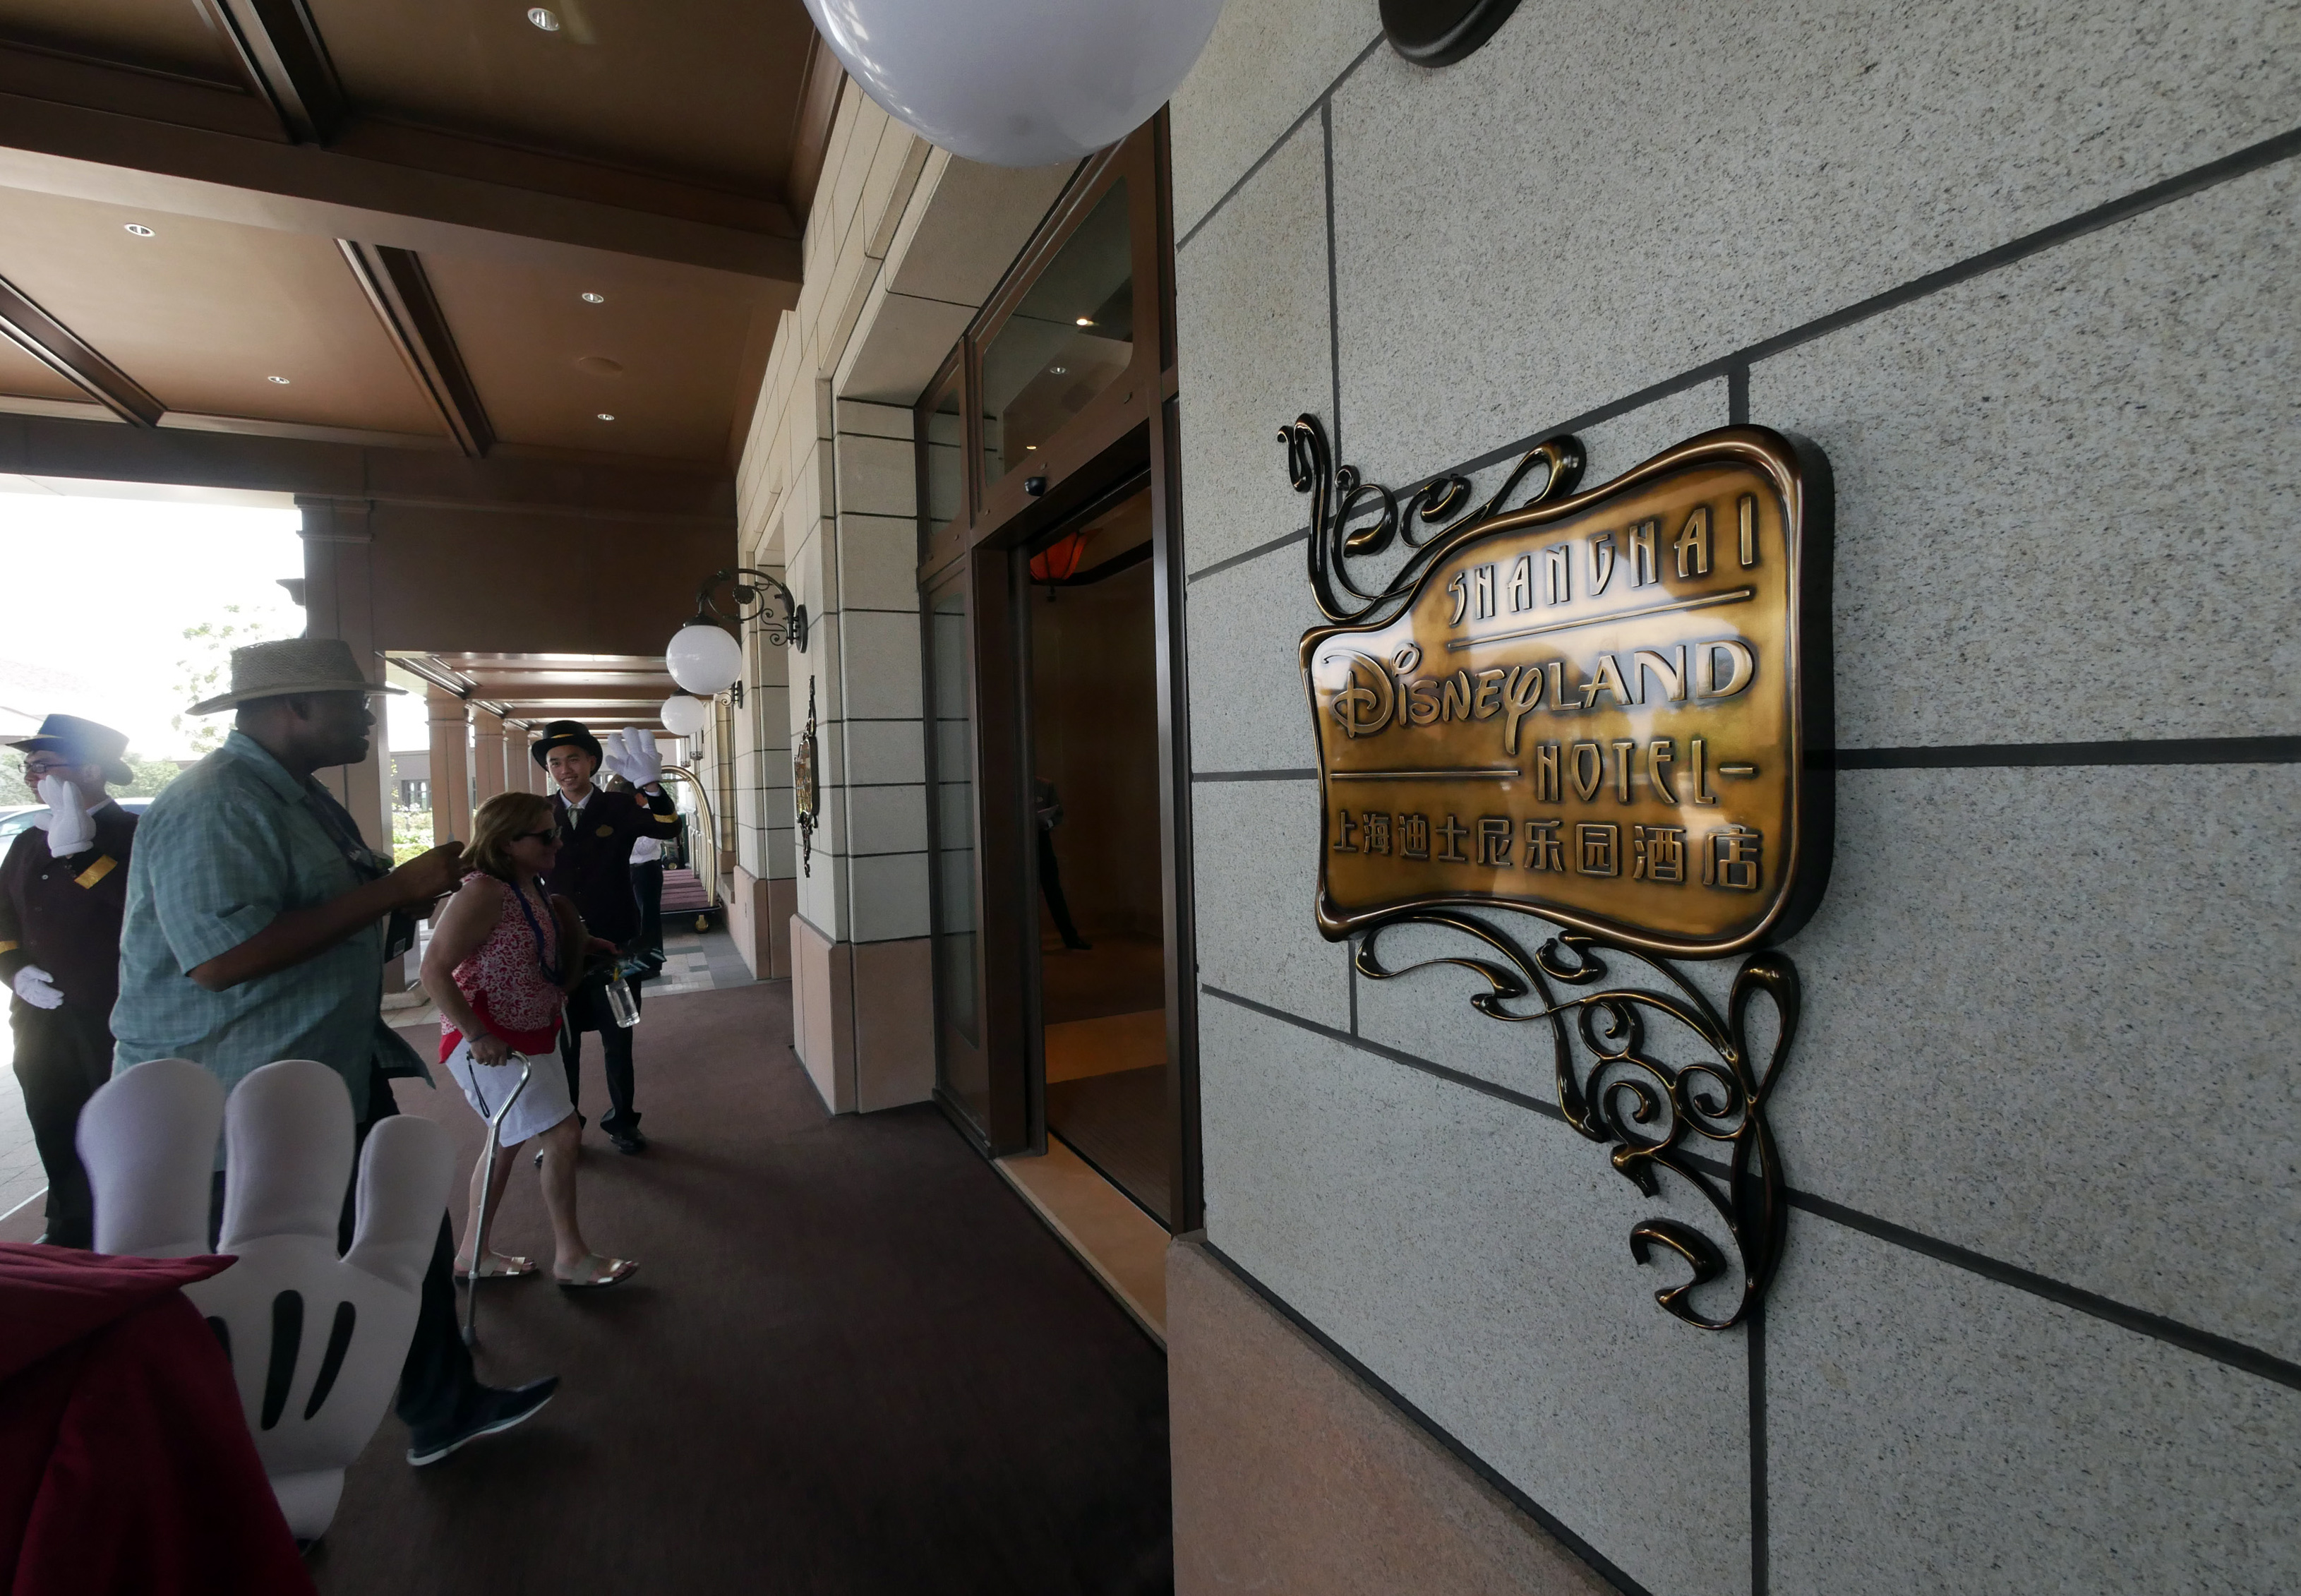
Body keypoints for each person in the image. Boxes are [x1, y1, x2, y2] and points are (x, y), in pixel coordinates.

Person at [112, 638, 557, 1466]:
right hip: (234, 1095)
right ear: (295, 708)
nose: (366, 718)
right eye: (353, 705)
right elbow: (219, 958)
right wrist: (391, 891)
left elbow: (336, 915)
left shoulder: (300, 799)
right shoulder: (215, 801)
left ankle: (441, 1403)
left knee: (409, 1221)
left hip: (321, 1070)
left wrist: (404, 898)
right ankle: (224, 1484)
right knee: (243, 1292)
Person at [421, 791, 637, 1289]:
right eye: (545, 835)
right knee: (561, 1134)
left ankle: (473, 1253)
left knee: (505, 1142)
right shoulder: (481, 891)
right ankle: (571, 1256)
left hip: (533, 1031)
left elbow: (529, 944)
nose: (557, 841)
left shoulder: (530, 884)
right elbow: (434, 970)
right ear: (506, 840)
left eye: (555, 830)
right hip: (492, 1042)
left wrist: (582, 945)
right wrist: (477, 1035)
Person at [0, 715, 139, 1248]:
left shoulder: (130, 835)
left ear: (89, 769)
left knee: (116, 1124)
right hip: (38, 1014)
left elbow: (138, 909)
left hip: (110, 1013)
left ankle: (126, 1227)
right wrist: (15, 972)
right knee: (52, 1116)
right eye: (28, 767)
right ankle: (69, 1225)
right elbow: (2, 916)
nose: (32, 776)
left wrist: (81, 856)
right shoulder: (28, 840)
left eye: (44, 765)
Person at [533, 721, 680, 1156]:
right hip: (560, 949)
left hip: (617, 946)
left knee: (620, 1037)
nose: (564, 770)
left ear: (592, 761)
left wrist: (651, 785)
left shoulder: (618, 807)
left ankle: (623, 1122)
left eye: (573, 759)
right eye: (555, 762)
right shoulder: (539, 813)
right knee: (563, 1044)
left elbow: (668, 827)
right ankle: (565, 1127)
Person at [1034, 774, 1090, 951]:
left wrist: (1046, 823)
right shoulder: (1008, 786)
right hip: (1016, 844)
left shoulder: (1045, 786)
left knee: (1054, 891)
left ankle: (1070, 938)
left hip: (1041, 840)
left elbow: (1058, 815)